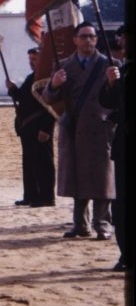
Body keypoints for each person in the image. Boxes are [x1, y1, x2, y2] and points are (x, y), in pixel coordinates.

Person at [43, 22, 119, 240]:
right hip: (74, 128)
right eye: (84, 36)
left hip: (100, 128)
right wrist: (55, 85)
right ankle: (80, 224)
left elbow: (118, 98)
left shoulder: (110, 65)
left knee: (102, 178)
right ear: (75, 40)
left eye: (92, 37)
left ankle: (102, 224)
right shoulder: (63, 66)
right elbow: (48, 98)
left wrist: (115, 82)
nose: (88, 41)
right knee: (77, 177)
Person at [6, 47, 56, 207]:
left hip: (41, 128)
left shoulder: (48, 78)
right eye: (30, 60)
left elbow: (52, 106)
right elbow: (23, 97)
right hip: (27, 127)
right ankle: (31, 195)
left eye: (34, 59)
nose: (31, 63)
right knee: (29, 162)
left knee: (43, 163)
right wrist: (12, 89)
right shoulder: (30, 78)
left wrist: (47, 129)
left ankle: (47, 197)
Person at [98, 24, 128, 271]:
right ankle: (126, 254)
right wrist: (111, 83)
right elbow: (107, 101)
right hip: (126, 145)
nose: (122, 42)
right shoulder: (122, 70)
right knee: (123, 206)